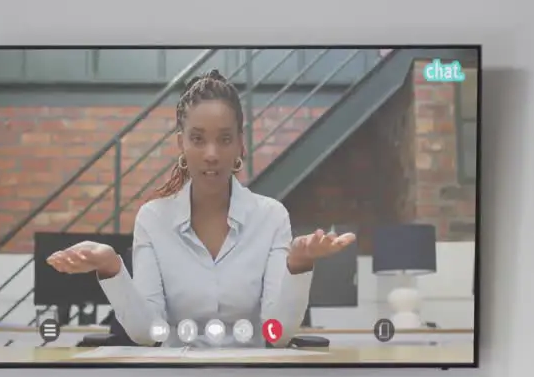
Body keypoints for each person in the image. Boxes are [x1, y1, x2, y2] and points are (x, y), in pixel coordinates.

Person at [45, 69, 356, 348]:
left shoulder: (272, 217)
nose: (211, 154)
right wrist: (111, 267)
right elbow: (146, 334)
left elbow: (277, 336)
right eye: (197, 139)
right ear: (181, 144)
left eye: (224, 139)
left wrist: (298, 265)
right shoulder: (153, 220)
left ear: (240, 145)